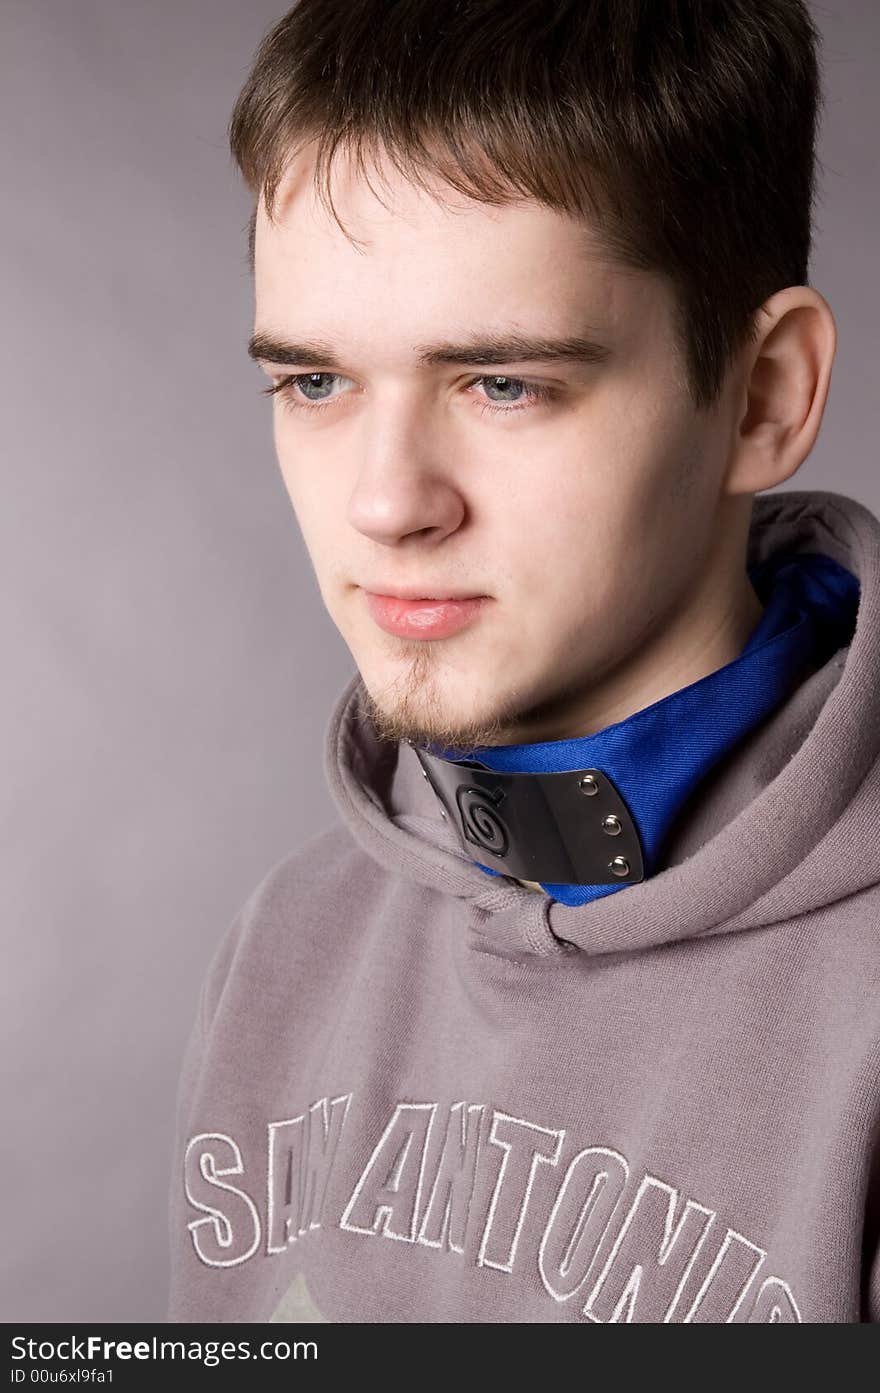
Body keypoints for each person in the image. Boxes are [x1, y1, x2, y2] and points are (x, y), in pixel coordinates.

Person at [167, 0, 880, 1323]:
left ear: (766, 393)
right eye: (316, 383)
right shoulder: (287, 944)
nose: (387, 504)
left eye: (504, 384)